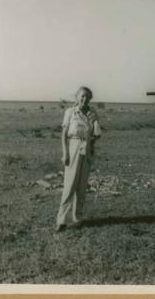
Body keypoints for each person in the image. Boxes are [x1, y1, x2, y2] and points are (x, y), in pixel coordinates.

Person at [56, 87, 101, 232]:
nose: (84, 99)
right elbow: (63, 135)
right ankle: (61, 220)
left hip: (86, 148)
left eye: (87, 97)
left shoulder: (93, 113)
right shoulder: (70, 112)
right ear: (76, 97)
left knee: (82, 186)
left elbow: (97, 134)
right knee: (69, 186)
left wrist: (94, 125)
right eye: (82, 96)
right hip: (73, 146)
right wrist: (65, 154)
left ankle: (78, 217)